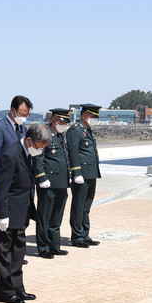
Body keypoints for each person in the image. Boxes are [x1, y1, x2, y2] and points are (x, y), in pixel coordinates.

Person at [0, 122, 51, 303]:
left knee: (18, 252)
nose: (40, 151)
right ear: (29, 140)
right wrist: (2, 214)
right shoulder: (10, 155)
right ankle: (6, 292)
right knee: (4, 253)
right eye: (39, 147)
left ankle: (18, 287)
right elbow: (1, 188)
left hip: (22, 211)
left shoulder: (28, 153)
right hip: (8, 213)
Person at [34, 109, 72, 258]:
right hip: (48, 183)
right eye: (63, 122)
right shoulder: (45, 134)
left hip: (61, 182)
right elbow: (38, 158)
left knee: (57, 217)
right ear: (55, 121)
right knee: (44, 217)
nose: (65, 125)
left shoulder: (60, 136)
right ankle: (43, 247)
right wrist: (41, 178)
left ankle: (54, 245)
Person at [67, 104, 102, 248]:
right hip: (81, 175)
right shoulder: (76, 130)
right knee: (78, 206)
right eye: (93, 117)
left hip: (91, 173)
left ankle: (84, 234)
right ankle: (77, 236)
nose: (95, 120)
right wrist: (76, 173)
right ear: (85, 116)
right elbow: (73, 152)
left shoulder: (87, 129)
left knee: (86, 206)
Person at [0, 95, 32, 169]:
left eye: (26, 115)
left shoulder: (23, 128)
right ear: (12, 110)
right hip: (5, 174)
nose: (23, 118)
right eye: (21, 114)